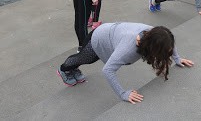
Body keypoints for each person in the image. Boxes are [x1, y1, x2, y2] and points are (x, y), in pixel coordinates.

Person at [57, 23, 193, 104]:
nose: (166, 53)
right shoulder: (129, 49)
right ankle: (64, 70)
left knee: (85, 59)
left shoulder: (155, 34)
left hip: (113, 34)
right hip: (98, 38)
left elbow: (168, 42)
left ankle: (73, 70)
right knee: (85, 59)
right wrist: (123, 94)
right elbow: (107, 70)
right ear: (153, 48)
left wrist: (177, 58)